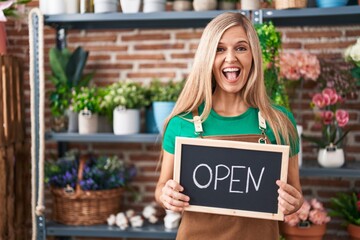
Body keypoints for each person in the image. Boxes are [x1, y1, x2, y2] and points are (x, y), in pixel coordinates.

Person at [155, 12, 303, 240]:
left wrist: (293, 202)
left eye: (241, 48)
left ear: (253, 55)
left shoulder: (281, 122)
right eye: (220, 49)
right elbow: (161, 187)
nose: (231, 58)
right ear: (207, 58)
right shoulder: (180, 124)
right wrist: (166, 196)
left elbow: (296, 194)